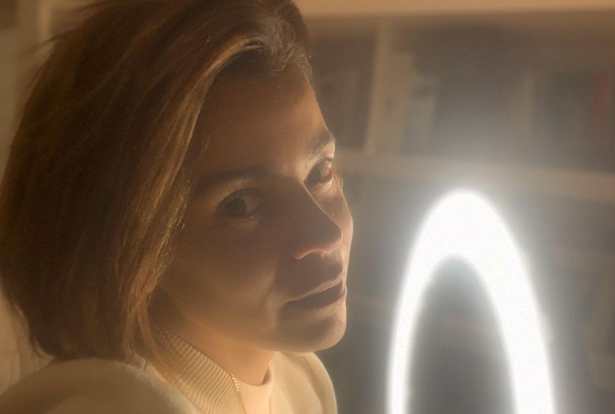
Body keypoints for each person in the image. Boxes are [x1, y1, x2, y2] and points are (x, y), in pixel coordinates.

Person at [0, 0, 353, 412]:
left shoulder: (301, 383)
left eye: (320, 171)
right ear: (127, 244)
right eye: (241, 205)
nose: (326, 234)